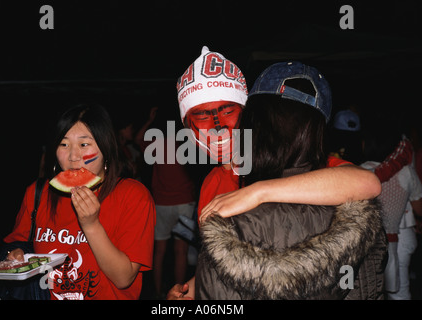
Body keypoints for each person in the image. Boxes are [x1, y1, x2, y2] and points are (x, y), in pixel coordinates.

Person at [168, 47, 382, 299]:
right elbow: (221, 264)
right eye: (202, 116)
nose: (217, 128)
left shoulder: (293, 166)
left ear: (250, 115)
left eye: (227, 111)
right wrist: (191, 290)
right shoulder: (211, 182)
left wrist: (257, 192)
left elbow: (367, 181)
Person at [3, 104, 155, 300]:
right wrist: (16, 256)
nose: (73, 156)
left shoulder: (133, 196)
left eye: (84, 145)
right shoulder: (37, 193)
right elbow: (20, 244)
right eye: (64, 144)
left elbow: (124, 278)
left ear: (106, 148)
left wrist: (91, 225)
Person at [136, 106, 197, 298]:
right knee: (181, 251)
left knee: (159, 251)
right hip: (184, 202)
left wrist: (149, 121)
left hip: (161, 203)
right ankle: (180, 294)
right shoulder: (187, 142)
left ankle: (157, 292)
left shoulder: (156, 143)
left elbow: (137, 140)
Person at [362, 126, 422, 299]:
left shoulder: (357, 172)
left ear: (366, 145)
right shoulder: (407, 174)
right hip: (393, 244)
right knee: (398, 292)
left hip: (363, 246)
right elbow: (419, 209)